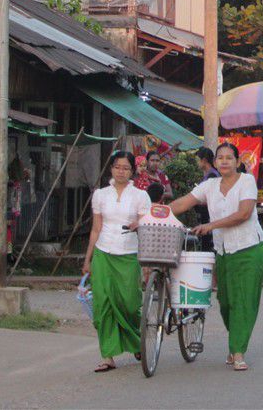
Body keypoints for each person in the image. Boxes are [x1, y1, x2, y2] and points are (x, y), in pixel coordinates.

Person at [171, 142, 263, 372]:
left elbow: (243, 214)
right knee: (225, 302)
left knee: (243, 301)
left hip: (249, 247)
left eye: (229, 158)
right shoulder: (210, 185)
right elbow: (183, 202)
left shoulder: (247, 182)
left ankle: (238, 352)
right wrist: (153, 214)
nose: (224, 161)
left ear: (237, 162)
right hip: (223, 251)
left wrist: (211, 225)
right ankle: (235, 344)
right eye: (220, 158)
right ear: (214, 163)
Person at [82, 151, 151, 373]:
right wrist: (88, 259)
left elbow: (147, 226)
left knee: (129, 303)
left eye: (126, 168)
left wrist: (138, 224)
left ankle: (137, 341)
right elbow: (96, 228)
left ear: (132, 171)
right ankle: (108, 356)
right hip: (103, 252)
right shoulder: (101, 195)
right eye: (117, 167)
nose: (121, 171)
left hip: (129, 253)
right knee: (103, 305)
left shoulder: (140, 196)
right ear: (110, 168)